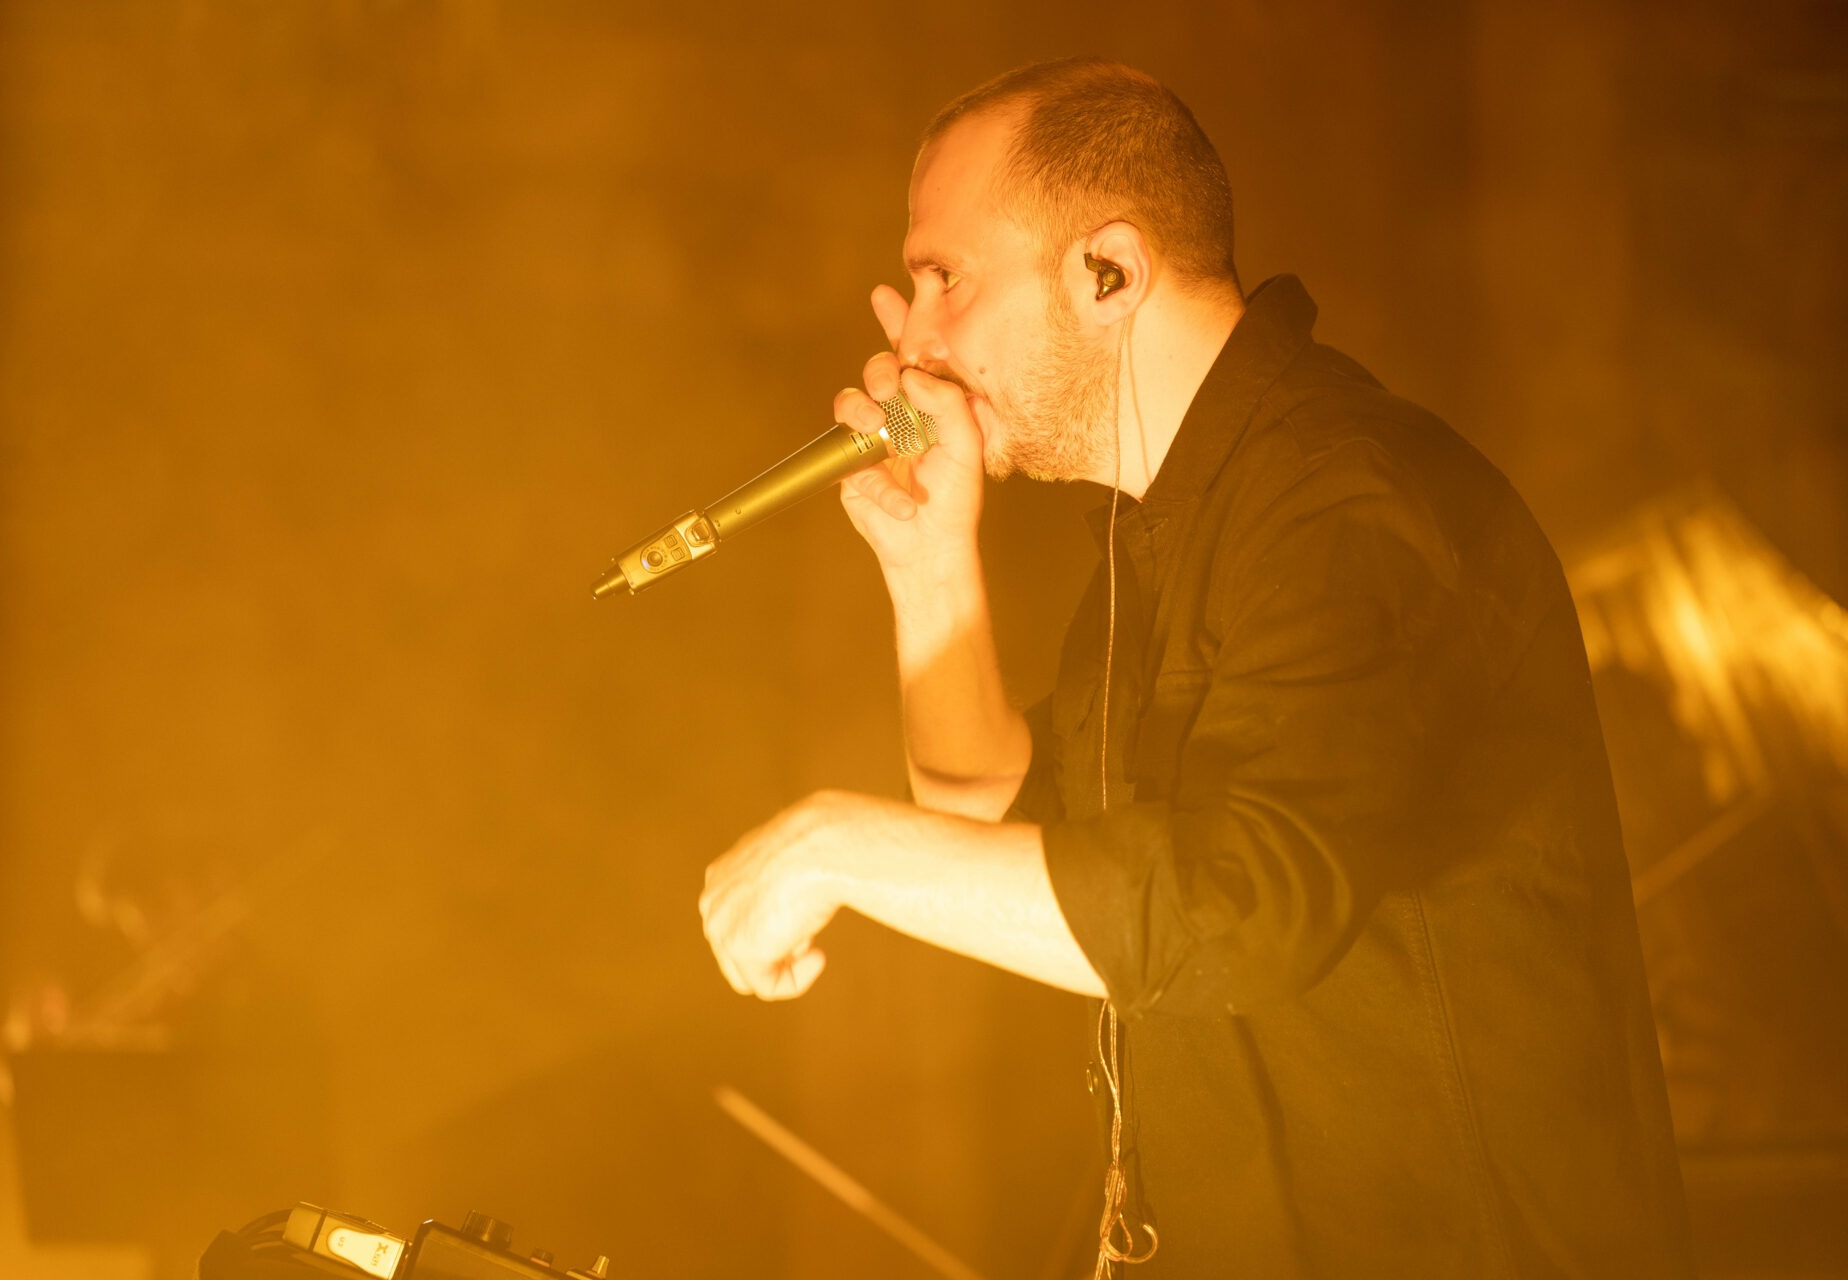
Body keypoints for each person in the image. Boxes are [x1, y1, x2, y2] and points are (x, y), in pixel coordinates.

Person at [698, 57, 1691, 1276]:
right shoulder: (1163, 538)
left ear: (1107, 271)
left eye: (945, 277)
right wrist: (930, 565)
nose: (917, 341)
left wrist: (832, 845)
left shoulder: (1349, 501)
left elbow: (1244, 904)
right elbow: (1006, 832)